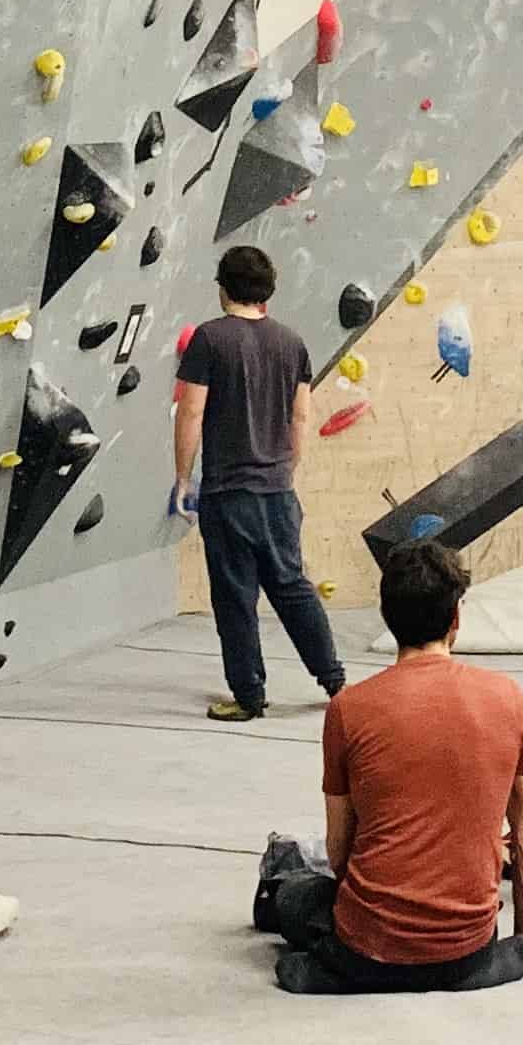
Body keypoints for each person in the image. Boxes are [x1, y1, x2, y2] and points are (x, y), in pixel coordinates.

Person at [252, 542, 523, 995]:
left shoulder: (349, 709)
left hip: (370, 942)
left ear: (387, 617)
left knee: (293, 897)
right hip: (466, 945)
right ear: (456, 620)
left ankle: (337, 959)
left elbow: (340, 847)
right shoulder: (508, 696)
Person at [174, 246, 347, 723]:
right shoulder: (292, 343)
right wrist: (288, 470)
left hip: (229, 492)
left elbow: (191, 411)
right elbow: (301, 414)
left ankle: (249, 695)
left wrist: (183, 477)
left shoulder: (209, 340)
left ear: (222, 286)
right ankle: (334, 681)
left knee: (235, 597)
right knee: (292, 586)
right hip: (278, 492)